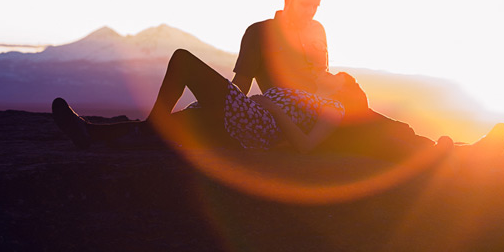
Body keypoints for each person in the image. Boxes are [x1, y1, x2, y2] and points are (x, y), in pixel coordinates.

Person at [233, 0, 504, 163]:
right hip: (300, 118)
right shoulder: (260, 33)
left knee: (398, 129)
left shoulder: (317, 30)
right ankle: (468, 154)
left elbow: (320, 76)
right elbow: (240, 87)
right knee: (385, 142)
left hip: (331, 108)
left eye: (316, 6)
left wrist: (336, 80)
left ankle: (466, 150)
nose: (311, 13)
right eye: (305, 5)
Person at [52, 48, 367, 154]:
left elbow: (306, 147)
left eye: (335, 76)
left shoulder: (334, 109)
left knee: (183, 60)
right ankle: (88, 133)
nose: (328, 72)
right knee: (165, 133)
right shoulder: (306, 93)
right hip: (246, 116)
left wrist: (272, 110)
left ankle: (139, 126)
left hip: (254, 125)